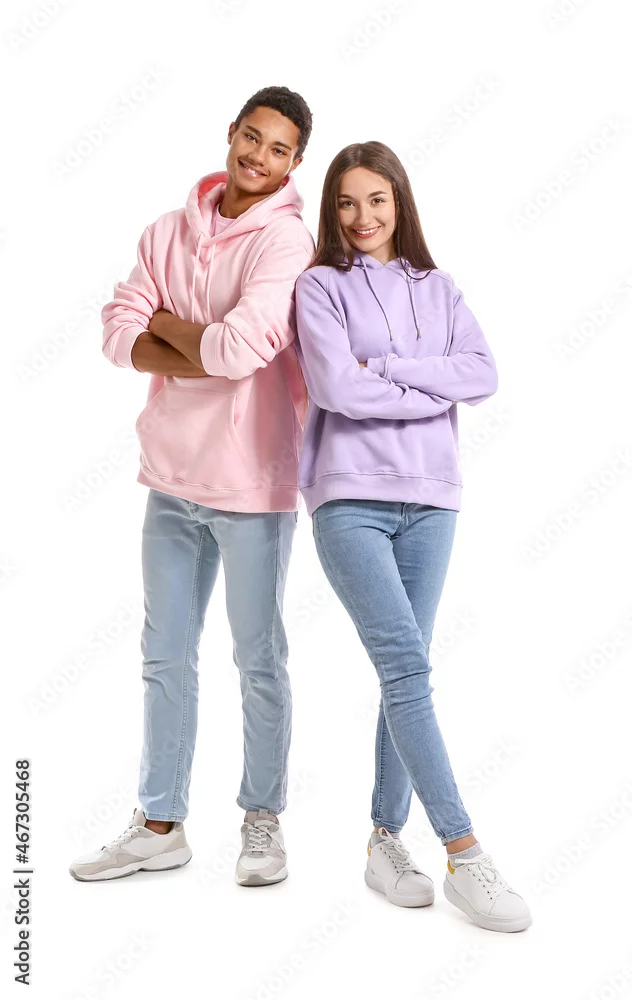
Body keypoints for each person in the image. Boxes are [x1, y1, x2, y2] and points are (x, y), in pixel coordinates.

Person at [69, 86, 315, 887]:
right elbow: (116, 333)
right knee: (164, 653)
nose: (259, 156)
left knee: (258, 658)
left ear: (294, 164)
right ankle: (160, 824)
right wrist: (199, 343)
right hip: (171, 478)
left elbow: (243, 351)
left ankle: (262, 820)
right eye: (253, 137)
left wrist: (169, 328)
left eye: (278, 149)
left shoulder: (287, 243)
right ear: (232, 133)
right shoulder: (165, 232)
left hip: (252, 485)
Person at [293, 141, 532, 932]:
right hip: (349, 498)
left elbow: (482, 374)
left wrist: (388, 366)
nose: (362, 217)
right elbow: (336, 387)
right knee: (406, 668)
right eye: (346, 202)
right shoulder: (319, 286)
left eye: (376, 199)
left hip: (433, 500)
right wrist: (427, 381)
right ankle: (465, 853)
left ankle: (385, 842)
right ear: (332, 211)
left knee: (407, 676)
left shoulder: (442, 287)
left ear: (400, 201)